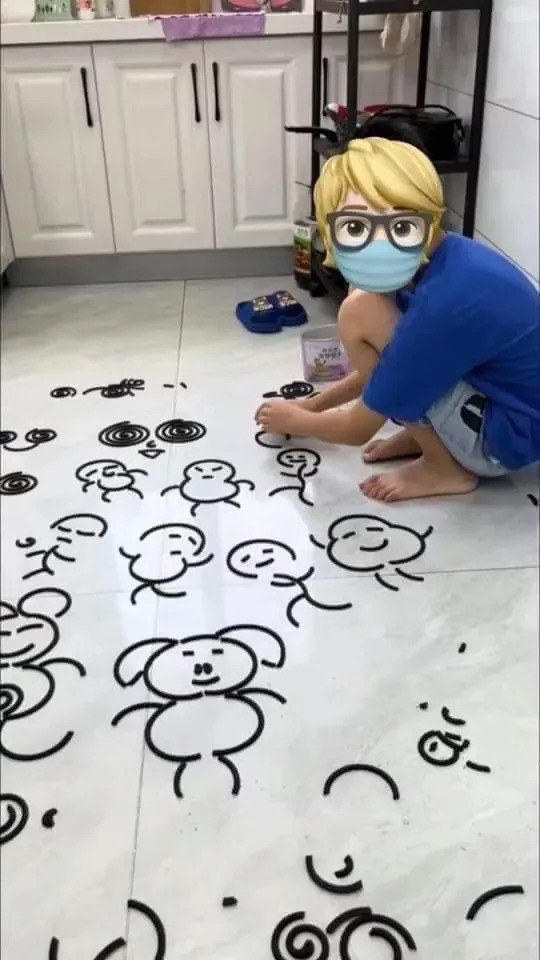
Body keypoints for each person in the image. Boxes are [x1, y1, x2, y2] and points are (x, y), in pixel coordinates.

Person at [255, 137, 540, 502]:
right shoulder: (442, 255)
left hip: (505, 439)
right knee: (371, 311)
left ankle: (444, 468)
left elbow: (358, 429)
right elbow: (390, 366)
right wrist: (312, 404)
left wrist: (298, 421)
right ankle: (430, 438)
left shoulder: (445, 301)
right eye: (356, 228)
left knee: (360, 313)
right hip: (505, 405)